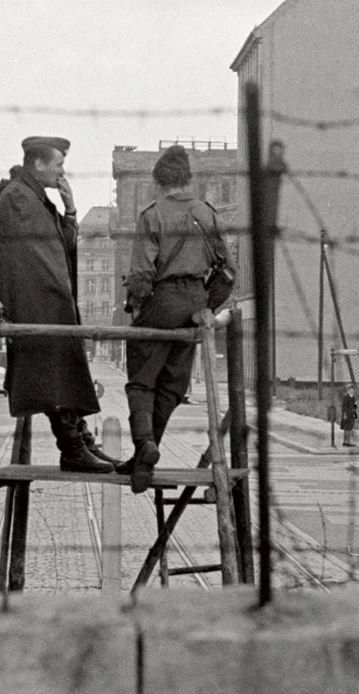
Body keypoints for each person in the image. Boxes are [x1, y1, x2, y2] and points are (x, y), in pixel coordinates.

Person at [0, 136, 115, 473]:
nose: (62, 171)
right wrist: (16, 294)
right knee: (55, 379)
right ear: (38, 164)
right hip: (38, 309)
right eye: (58, 164)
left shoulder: (37, 199)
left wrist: (70, 210)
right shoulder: (17, 199)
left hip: (54, 307)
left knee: (65, 375)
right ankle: (72, 449)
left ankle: (81, 443)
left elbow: (62, 250)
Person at [120, 145, 230, 492]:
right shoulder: (208, 215)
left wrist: (137, 308)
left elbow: (140, 274)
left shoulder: (152, 216)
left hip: (160, 302)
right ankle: (142, 463)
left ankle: (144, 446)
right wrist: (206, 306)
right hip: (194, 304)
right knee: (171, 387)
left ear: (158, 182)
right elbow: (227, 272)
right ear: (188, 180)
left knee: (141, 382)